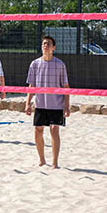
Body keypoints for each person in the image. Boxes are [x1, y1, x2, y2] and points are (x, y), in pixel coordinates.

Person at [25, 35, 70, 169]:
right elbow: (31, 86)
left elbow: (66, 87)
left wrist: (66, 106)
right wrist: (27, 103)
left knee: (54, 130)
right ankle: (42, 160)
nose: (46, 46)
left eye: (48, 44)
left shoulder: (60, 64)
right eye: (44, 44)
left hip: (56, 104)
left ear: (53, 48)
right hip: (40, 103)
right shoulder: (35, 64)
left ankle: (55, 162)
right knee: (38, 130)